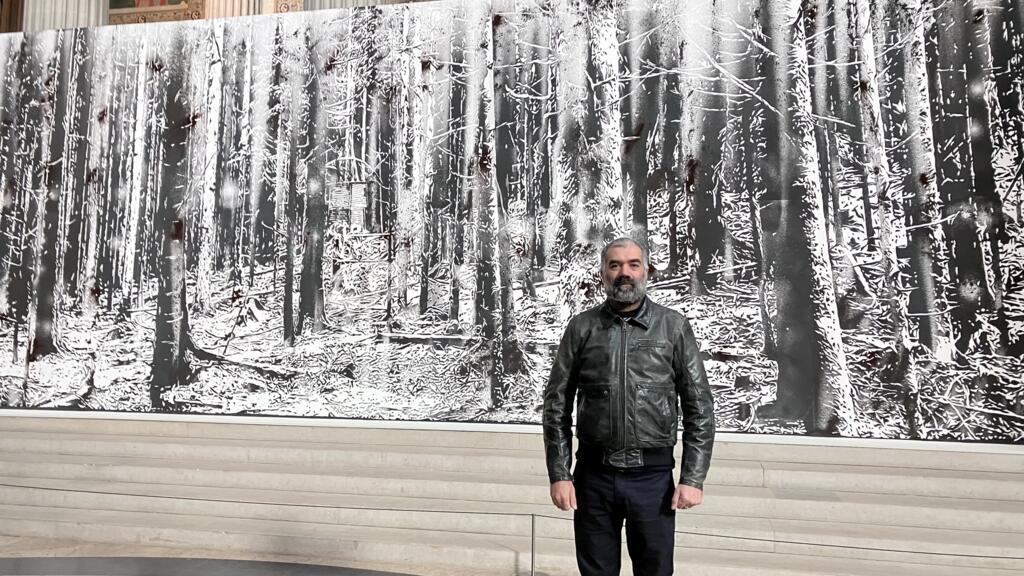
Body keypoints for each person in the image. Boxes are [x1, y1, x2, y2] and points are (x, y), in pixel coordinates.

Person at [542, 237, 715, 576]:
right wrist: (560, 474)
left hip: (652, 480)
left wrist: (693, 477)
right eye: (615, 265)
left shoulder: (673, 327)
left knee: (655, 570)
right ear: (603, 273)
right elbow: (556, 406)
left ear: (646, 270)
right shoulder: (582, 328)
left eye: (634, 264)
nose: (625, 273)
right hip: (593, 478)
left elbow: (699, 408)